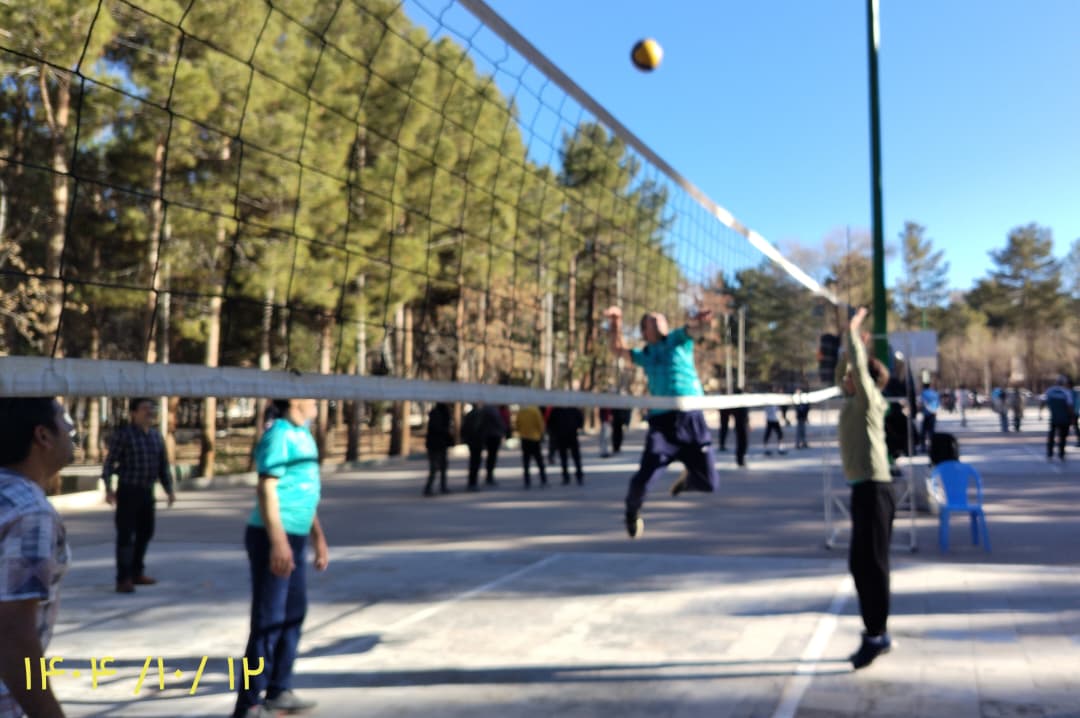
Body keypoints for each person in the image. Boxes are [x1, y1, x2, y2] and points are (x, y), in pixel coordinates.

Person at [234, 398, 328, 718]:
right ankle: (248, 704)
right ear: (295, 401)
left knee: (293, 614)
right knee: (267, 622)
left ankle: (278, 690)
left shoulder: (304, 433)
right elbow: (266, 489)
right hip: (272, 536)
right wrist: (277, 541)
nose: (317, 404)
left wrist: (317, 536)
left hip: (295, 536)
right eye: (312, 399)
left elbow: (304, 491)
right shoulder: (278, 435)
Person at [604, 304, 718, 538]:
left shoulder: (677, 340)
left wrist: (702, 322)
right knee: (642, 480)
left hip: (691, 418)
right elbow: (617, 349)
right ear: (645, 332)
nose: (658, 320)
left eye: (661, 318)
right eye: (651, 319)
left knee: (709, 483)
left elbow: (695, 330)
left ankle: (688, 480)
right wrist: (615, 322)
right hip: (662, 425)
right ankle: (631, 513)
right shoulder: (646, 354)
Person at [0, 398, 74, 718]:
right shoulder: (30, 512)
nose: (71, 429)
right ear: (43, 435)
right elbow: (12, 634)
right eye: (63, 420)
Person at [836, 307, 894, 670]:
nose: (845, 378)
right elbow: (849, 368)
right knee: (860, 564)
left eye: (852, 375)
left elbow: (857, 368)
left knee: (871, 565)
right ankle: (875, 632)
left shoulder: (868, 400)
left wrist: (853, 328)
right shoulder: (855, 401)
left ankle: (876, 635)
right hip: (864, 489)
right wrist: (852, 345)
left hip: (875, 489)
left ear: (864, 381)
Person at [101, 398, 175, 594]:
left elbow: (162, 466)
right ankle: (123, 579)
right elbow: (109, 464)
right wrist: (108, 488)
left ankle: (137, 572)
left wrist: (169, 489)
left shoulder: (156, 437)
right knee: (126, 536)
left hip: (147, 492)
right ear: (133, 413)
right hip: (128, 491)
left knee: (145, 533)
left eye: (151, 408)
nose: (149, 412)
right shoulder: (124, 435)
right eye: (144, 408)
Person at [462, 403, 506, 489]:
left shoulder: (474, 413)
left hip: (476, 440)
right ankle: (475, 481)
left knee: (475, 461)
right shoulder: (486, 412)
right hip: (479, 439)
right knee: (478, 460)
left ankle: (474, 481)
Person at [547, 406, 585, 485]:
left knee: (565, 458)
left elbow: (550, 424)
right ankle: (577, 476)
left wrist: (555, 431)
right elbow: (580, 421)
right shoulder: (572, 408)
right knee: (574, 457)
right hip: (570, 435)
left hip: (563, 436)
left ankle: (568, 477)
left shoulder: (557, 410)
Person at [423, 403, 453, 496]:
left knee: (442, 466)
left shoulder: (442, 413)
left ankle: (441, 486)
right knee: (434, 467)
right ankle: (429, 488)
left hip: (439, 444)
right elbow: (439, 429)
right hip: (436, 445)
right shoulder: (439, 414)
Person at [515, 404, 547, 488]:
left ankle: (527, 480)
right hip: (535, 438)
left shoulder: (521, 411)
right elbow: (540, 423)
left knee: (526, 461)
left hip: (524, 438)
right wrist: (541, 433)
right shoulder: (535, 410)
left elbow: (517, 424)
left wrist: (520, 432)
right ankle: (543, 479)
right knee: (539, 460)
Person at [1044, 376, 1074, 463]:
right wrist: (1072, 417)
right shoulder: (1066, 392)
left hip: (1054, 417)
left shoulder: (1050, 391)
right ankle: (1061, 453)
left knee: (1052, 435)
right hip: (1064, 418)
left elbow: (1044, 401)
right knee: (1063, 436)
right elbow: (1070, 406)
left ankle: (1050, 453)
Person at [917, 381, 940, 453]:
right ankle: (932, 447)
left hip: (926, 414)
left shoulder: (923, 393)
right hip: (933, 413)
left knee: (923, 432)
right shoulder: (935, 393)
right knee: (931, 431)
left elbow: (921, 403)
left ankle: (923, 447)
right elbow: (938, 403)